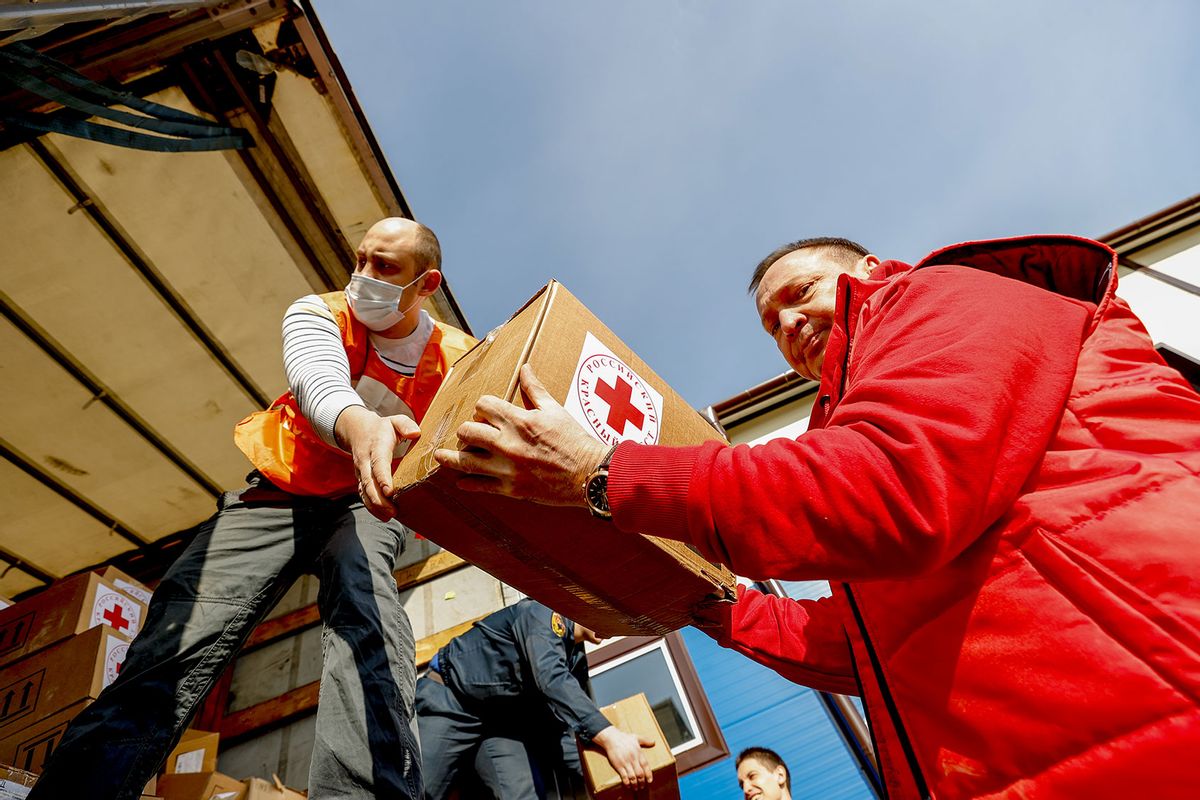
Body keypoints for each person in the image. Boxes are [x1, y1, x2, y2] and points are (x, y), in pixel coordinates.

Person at [431, 234, 1200, 798]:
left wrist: (604, 474)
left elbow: (893, 486)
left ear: (868, 270)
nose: (787, 323)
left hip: (1158, 711)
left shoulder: (940, 298)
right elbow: (859, 645)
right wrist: (707, 601)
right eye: (770, 323)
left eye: (801, 293)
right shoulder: (846, 426)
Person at [30, 218, 476, 800]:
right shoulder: (317, 313)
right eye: (359, 260)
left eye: (385, 267)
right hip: (278, 494)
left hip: (366, 503)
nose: (362, 277)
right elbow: (317, 380)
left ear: (426, 284)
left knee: (367, 615)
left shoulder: (460, 359)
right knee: (179, 635)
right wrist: (358, 422)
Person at [416, 597, 653, 799]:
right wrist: (611, 737)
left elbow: (563, 729)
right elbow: (551, 678)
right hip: (450, 701)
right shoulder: (542, 613)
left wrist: (609, 766)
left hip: (500, 727)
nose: (615, 627)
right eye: (611, 615)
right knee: (417, 790)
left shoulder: (575, 661)